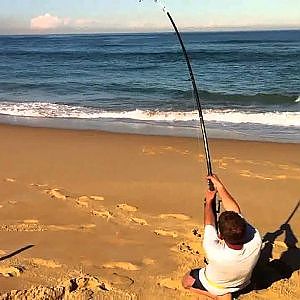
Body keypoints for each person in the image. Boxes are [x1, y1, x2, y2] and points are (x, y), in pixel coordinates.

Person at [182, 174, 262, 299]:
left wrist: (208, 202)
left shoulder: (213, 250)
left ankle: (218, 296)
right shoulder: (256, 239)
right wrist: (219, 186)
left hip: (217, 287)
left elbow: (209, 222)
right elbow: (235, 212)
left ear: (220, 236)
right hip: (243, 283)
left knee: (187, 281)